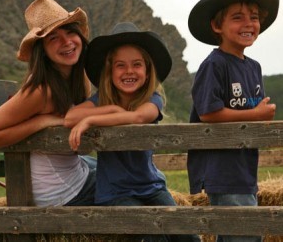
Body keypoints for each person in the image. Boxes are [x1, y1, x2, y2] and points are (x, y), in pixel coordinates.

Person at [64, 22, 199, 242]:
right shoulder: (100, 101)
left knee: (188, 236)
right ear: (109, 71)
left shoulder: (152, 99)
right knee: (155, 237)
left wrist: (92, 119)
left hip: (152, 186)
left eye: (137, 64)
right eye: (120, 65)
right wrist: (109, 109)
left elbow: (138, 117)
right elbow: (70, 118)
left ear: (147, 71)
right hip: (116, 192)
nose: (129, 71)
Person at [0, 0, 96, 207]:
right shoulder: (41, 90)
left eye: (70, 32)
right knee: (134, 181)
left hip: (70, 172)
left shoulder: (79, 78)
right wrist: (42, 122)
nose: (66, 42)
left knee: (121, 169)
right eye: (53, 38)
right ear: (43, 51)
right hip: (60, 193)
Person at [187, 0, 279, 242]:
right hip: (222, 170)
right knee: (243, 236)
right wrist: (257, 114)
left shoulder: (253, 67)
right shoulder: (214, 65)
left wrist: (257, 117)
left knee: (245, 235)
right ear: (217, 25)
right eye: (237, 17)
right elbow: (208, 112)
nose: (248, 23)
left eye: (254, 16)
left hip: (245, 168)